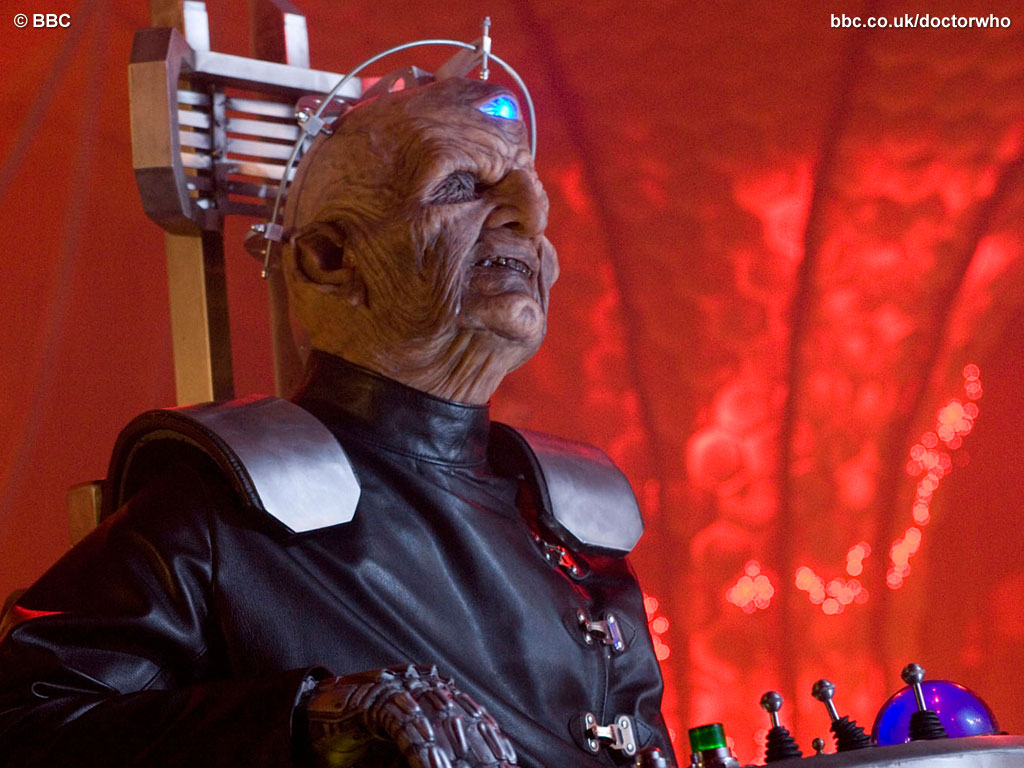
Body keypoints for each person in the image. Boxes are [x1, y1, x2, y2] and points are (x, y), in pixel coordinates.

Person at [0, 73, 674, 768]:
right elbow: (24, 724)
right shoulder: (225, 512)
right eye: (459, 187)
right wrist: (309, 720)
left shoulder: (566, 518)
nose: (528, 218)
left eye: (532, 198)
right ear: (328, 259)